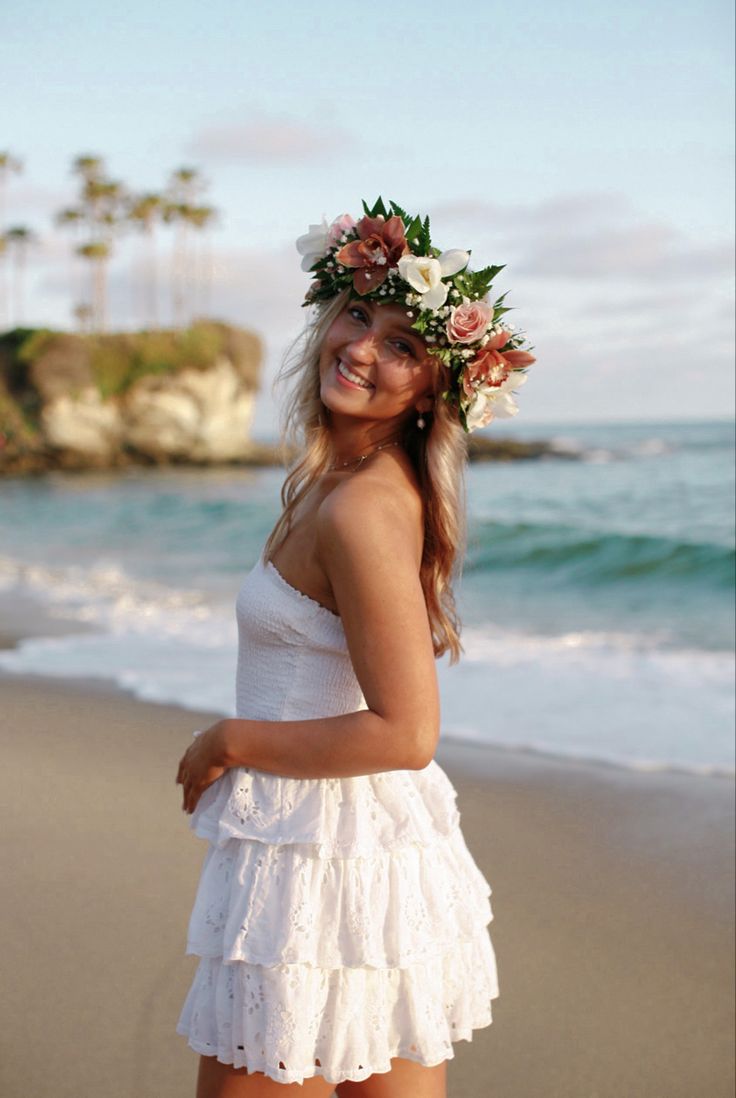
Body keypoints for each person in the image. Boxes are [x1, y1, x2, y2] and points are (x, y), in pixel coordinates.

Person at [175, 198, 536, 1097]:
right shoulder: (337, 483)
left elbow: (406, 732)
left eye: (406, 346)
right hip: (351, 840)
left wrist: (229, 740)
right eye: (359, 312)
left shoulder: (364, 505)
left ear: (432, 391)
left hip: (322, 852)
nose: (363, 347)